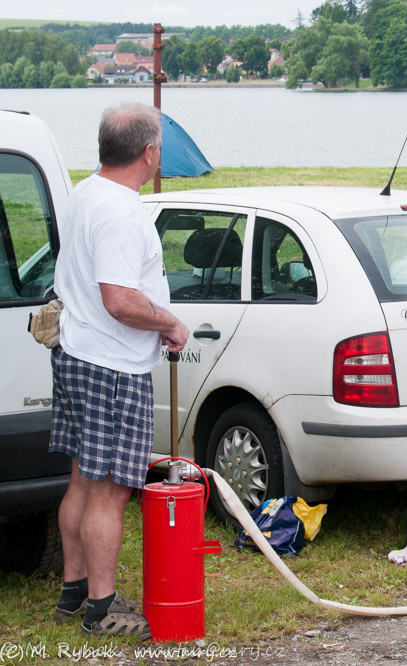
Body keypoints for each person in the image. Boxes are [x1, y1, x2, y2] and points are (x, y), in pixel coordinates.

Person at [49, 102, 189, 638]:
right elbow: (119, 299)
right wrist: (169, 323)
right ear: (150, 152)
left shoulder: (86, 192)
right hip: (110, 365)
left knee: (84, 479)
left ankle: (74, 591)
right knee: (110, 489)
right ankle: (101, 610)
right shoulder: (121, 212)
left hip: (78, 353)